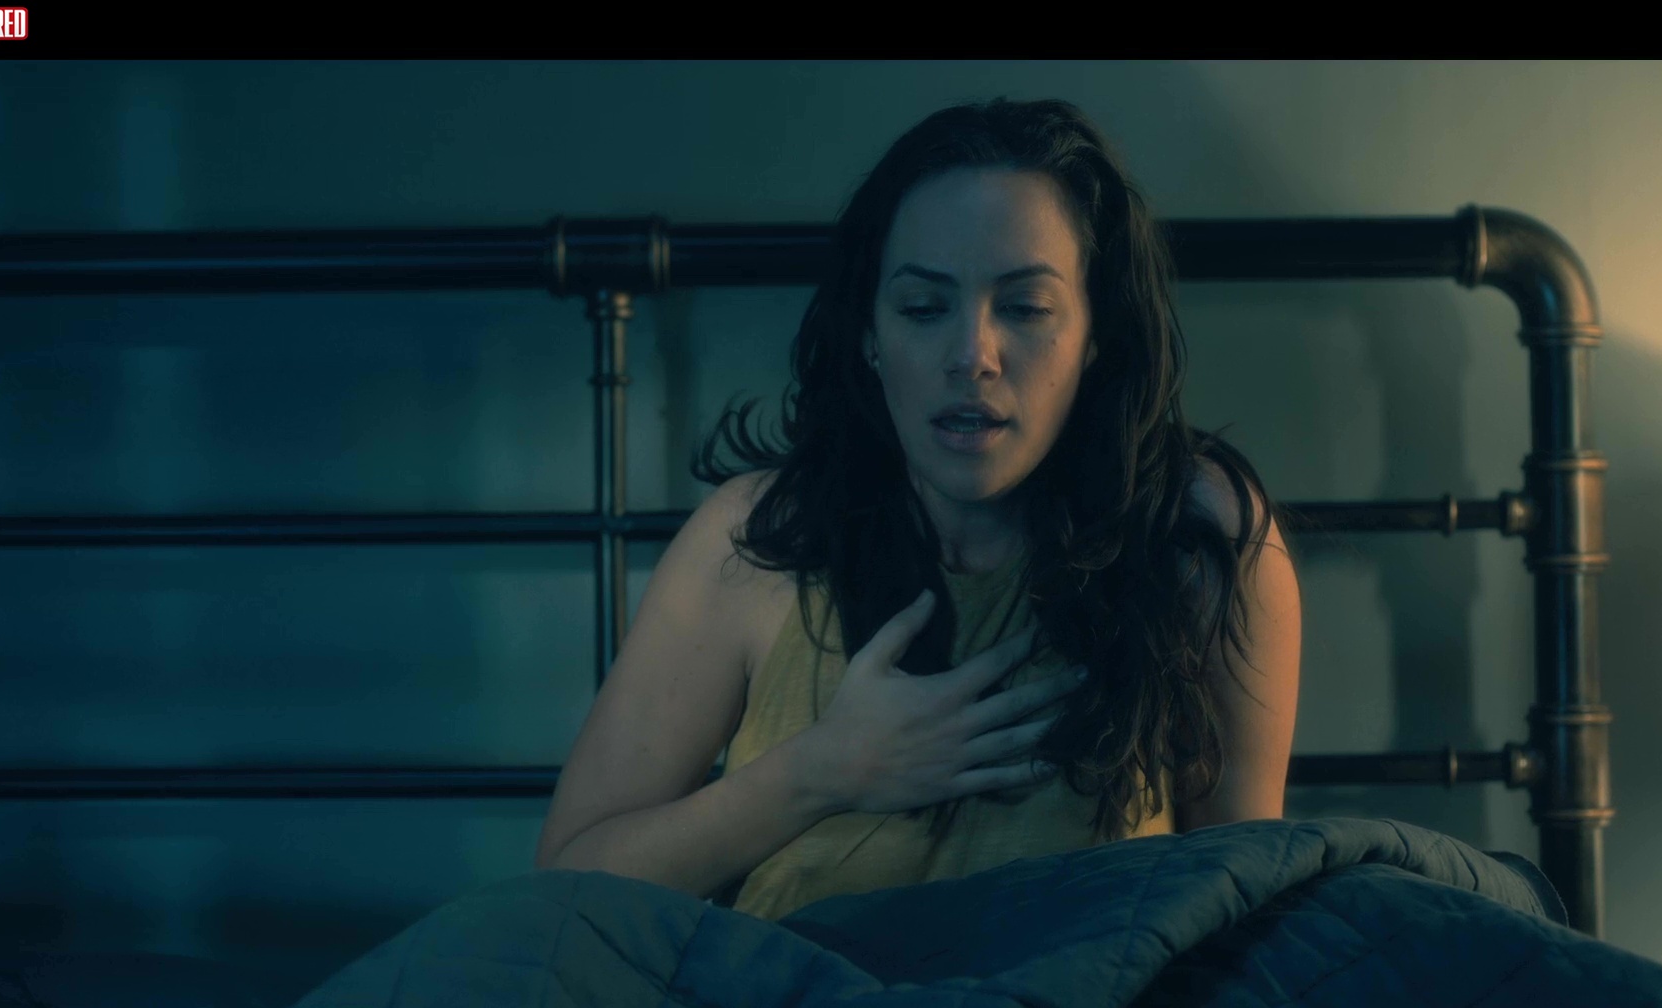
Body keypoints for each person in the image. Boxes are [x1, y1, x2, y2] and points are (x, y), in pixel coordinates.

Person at [535, 98, 1301, 922]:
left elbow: (1244, 903)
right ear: (869, 332)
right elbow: (561, 893)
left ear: (1096, 334)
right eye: (924, 308)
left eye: (1025, 308)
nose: (972, 356)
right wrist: (816, 774)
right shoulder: (752, 541)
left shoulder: (1197, 532)